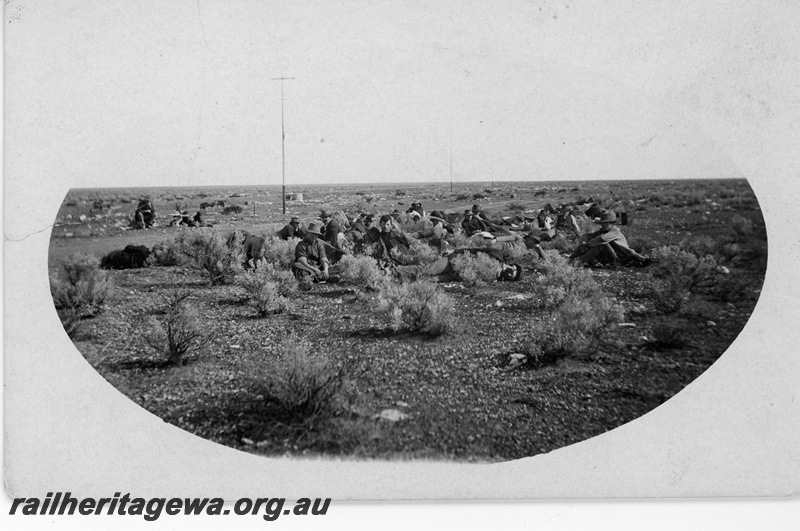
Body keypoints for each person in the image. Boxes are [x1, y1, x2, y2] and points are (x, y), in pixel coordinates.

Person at [568, 211, 650, 268]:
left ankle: (579, 262)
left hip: (621, 259)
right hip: (610, 258)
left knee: (600, 245)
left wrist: (587, 243)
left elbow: (602, 239)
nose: (604, 225)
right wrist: (584, 240)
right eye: (603, 223)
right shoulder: (604, 230)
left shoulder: (614, 231)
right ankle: (570, 260)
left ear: (612, 223)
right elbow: (590, 235)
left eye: (606, 223)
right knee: (587, 244)